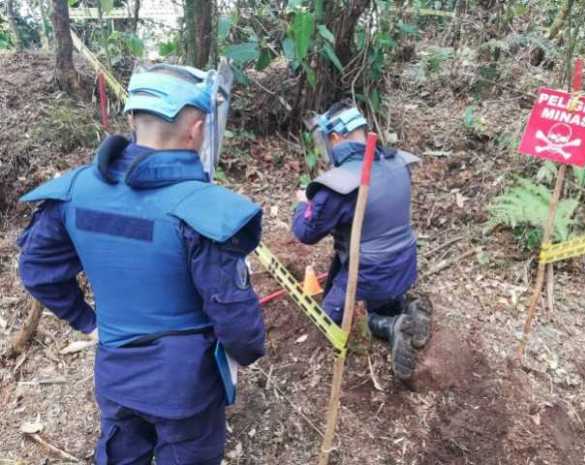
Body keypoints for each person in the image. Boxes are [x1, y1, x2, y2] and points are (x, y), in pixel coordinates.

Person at [17, 63, 265, 465]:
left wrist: (89, 321)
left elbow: (36, 270)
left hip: (116, 376)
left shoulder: (74, 192)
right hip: (186, 388)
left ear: (132, 118)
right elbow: (238, 323)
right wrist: (245, 352)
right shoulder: (200, 211)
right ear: (198, 129)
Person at [291, 99, 431, 382]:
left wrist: (303, 204)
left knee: (330, 322)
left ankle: (389, 325)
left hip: (367, 272)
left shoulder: (341, 183)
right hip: (403, 265)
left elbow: (306, 233)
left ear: (334, 138)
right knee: (376, 293)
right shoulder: (397, 162)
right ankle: (404, 309)